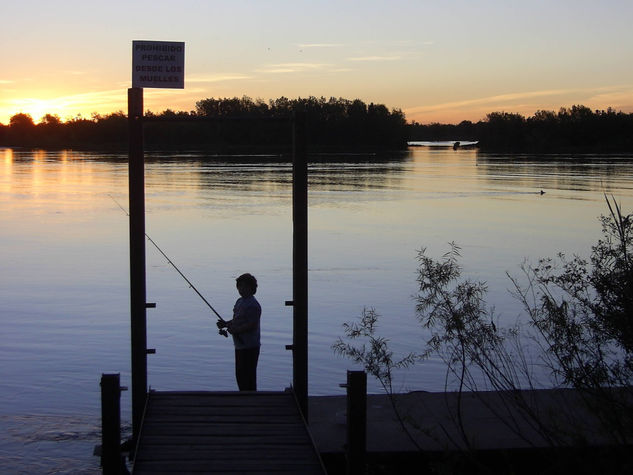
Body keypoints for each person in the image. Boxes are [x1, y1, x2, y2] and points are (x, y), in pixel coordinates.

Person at [217, 273, 261, 391]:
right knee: (240, 374)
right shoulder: (239, 301)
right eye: (240, 287)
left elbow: (252, 325)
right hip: (240, 345)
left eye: (245, 287)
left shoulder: (253, 305)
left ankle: (250, 400)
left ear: (252, 289)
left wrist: (236, 330)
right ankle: (244, 396)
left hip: (250, 346)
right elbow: (238, 320)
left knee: (248, 375)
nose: (241, 289)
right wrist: (226, 324)